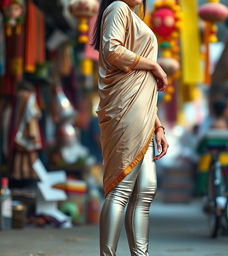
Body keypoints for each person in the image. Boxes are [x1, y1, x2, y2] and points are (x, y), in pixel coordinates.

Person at [91, 0, 169, 255]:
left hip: (143, 114)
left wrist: (158, 126)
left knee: (145, 190)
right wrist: (154, 65)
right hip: (124, 109)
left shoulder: (134, 17)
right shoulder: (117, 8)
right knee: (121, 189)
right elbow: (112, 50)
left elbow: (143, 85)